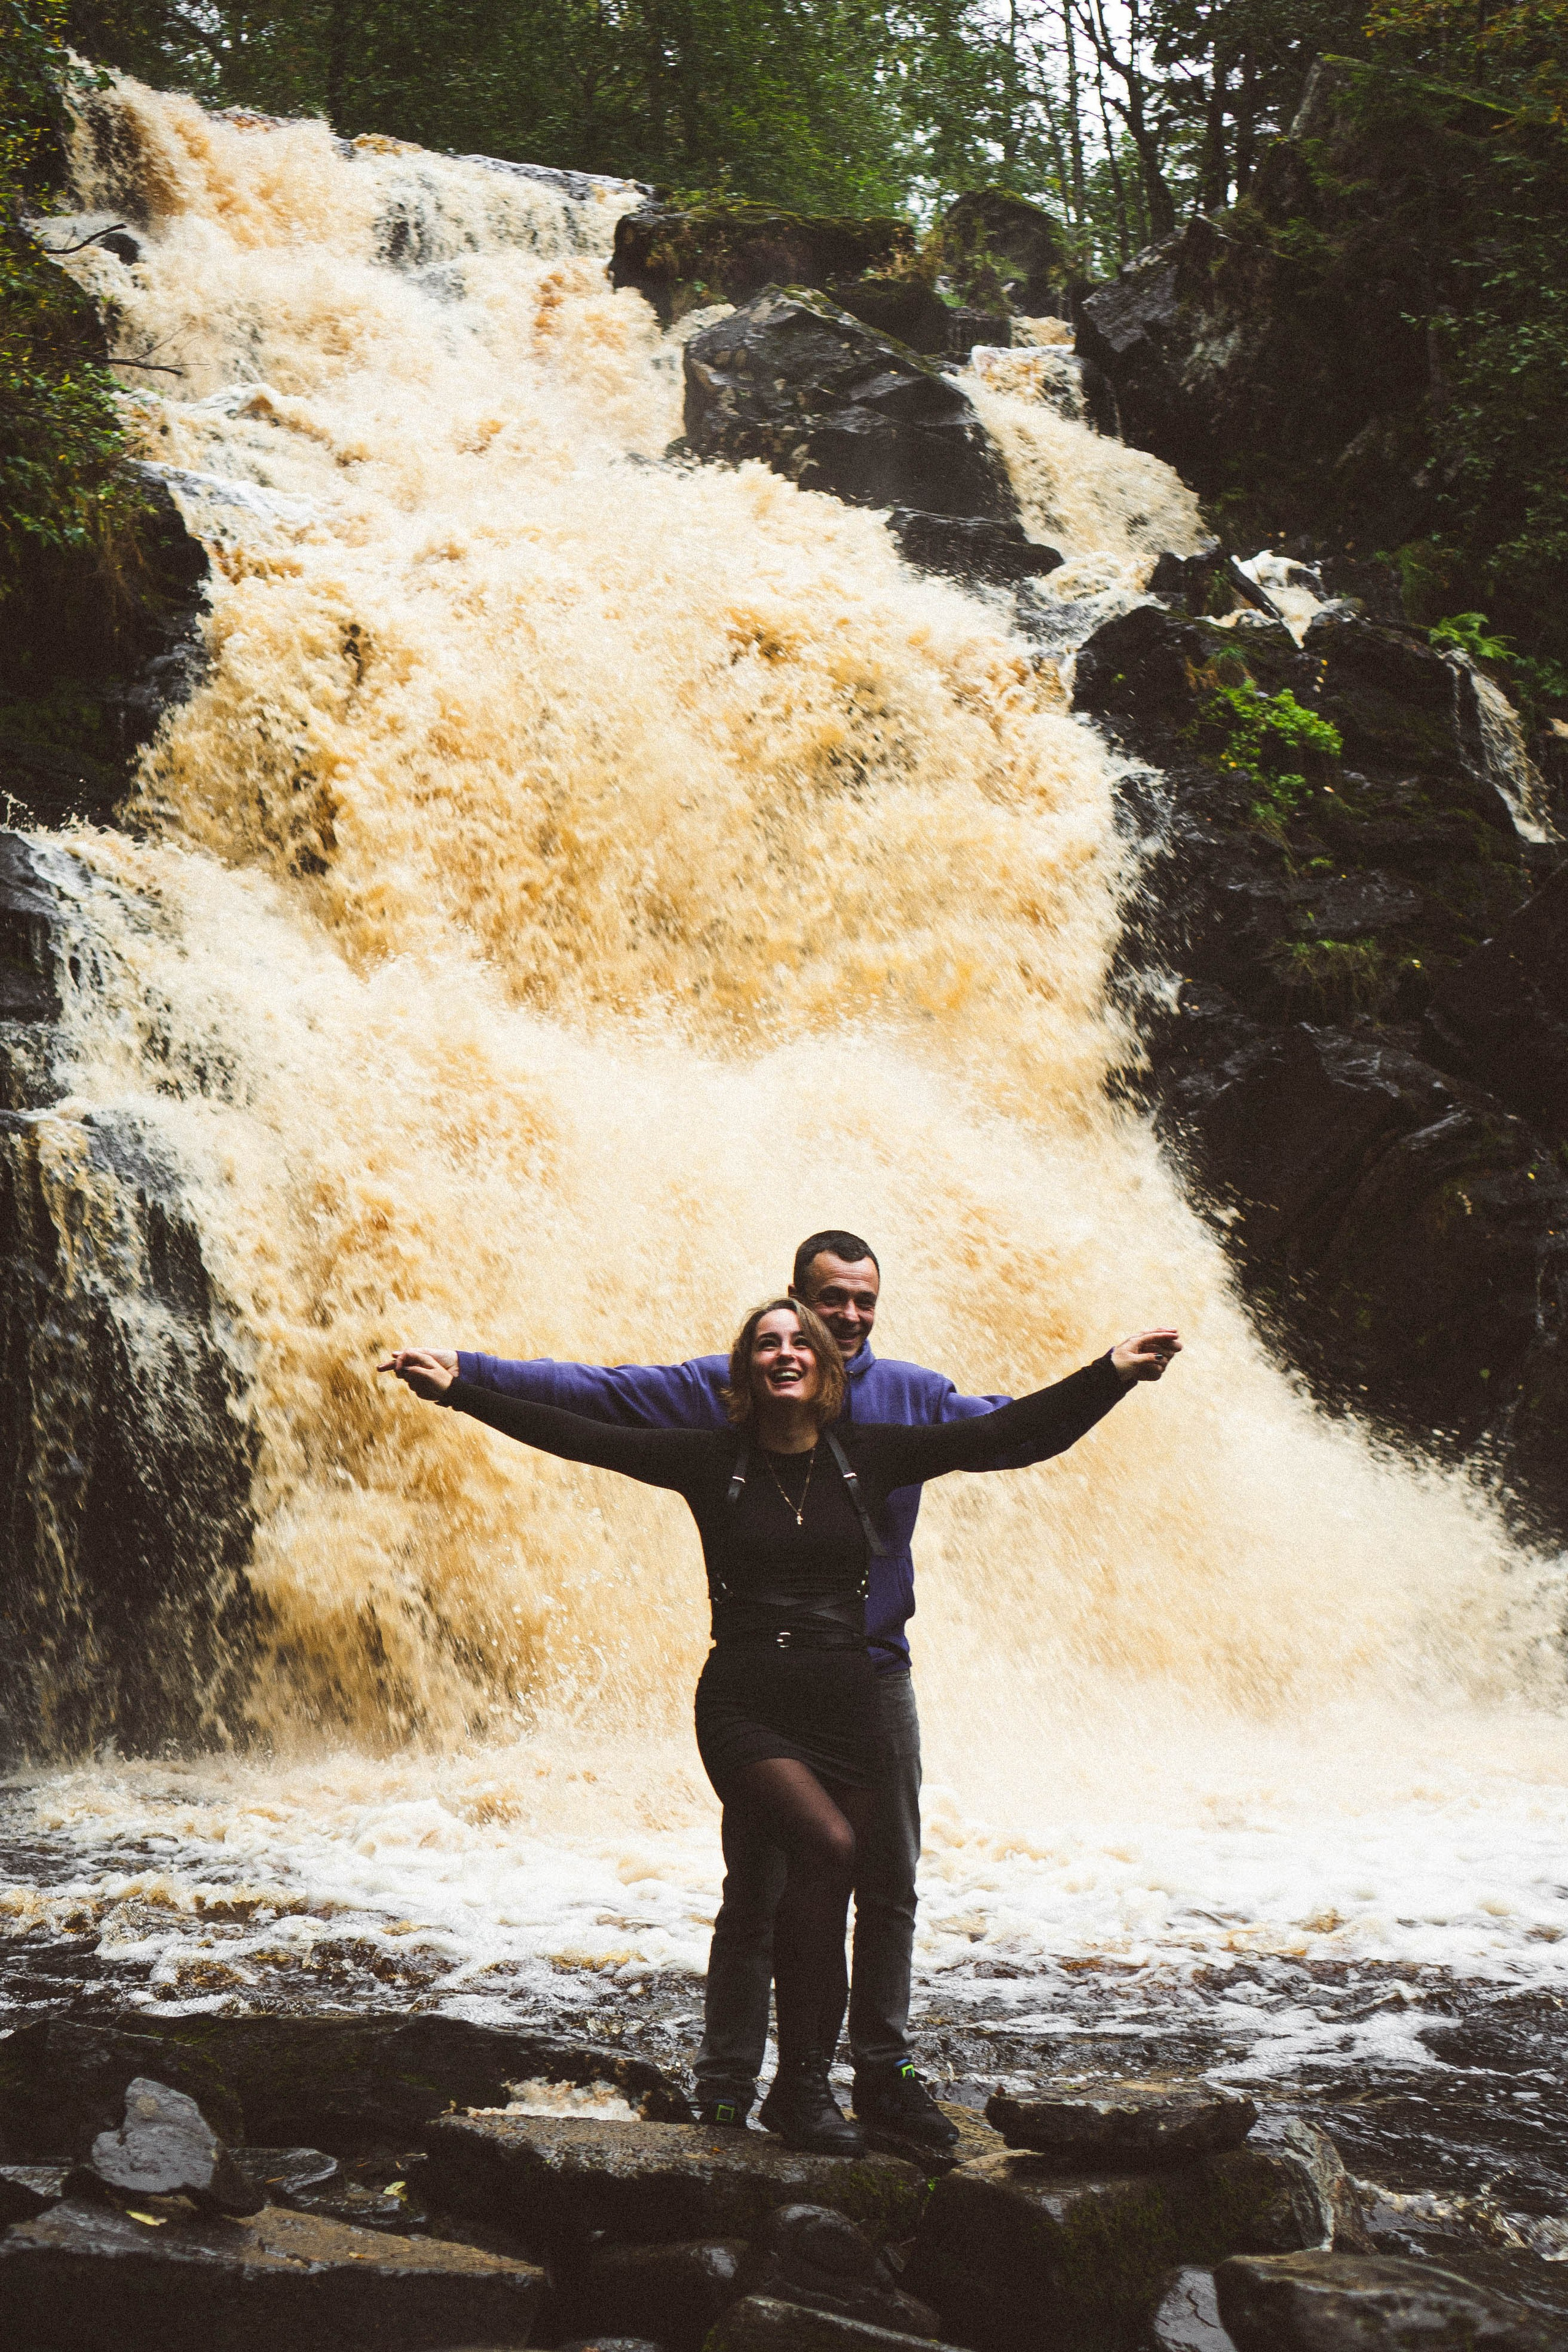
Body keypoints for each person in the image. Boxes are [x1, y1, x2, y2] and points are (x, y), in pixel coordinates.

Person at [380, 1292, 1181, 2154]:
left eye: (801, 1341)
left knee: (830, 1888)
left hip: (846, 1703)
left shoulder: (870, 1456)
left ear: (828, 1367)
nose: (786, 1352)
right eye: (767, 1343)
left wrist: (1113, 1374)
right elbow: (585, 1436)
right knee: (828, 1851)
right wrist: (459, 1390)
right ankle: (770, 2086)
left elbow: (1005, 1431)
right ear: (748, 1370)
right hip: (745, 1702)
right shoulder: (708, 1459)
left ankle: (801, 2092)